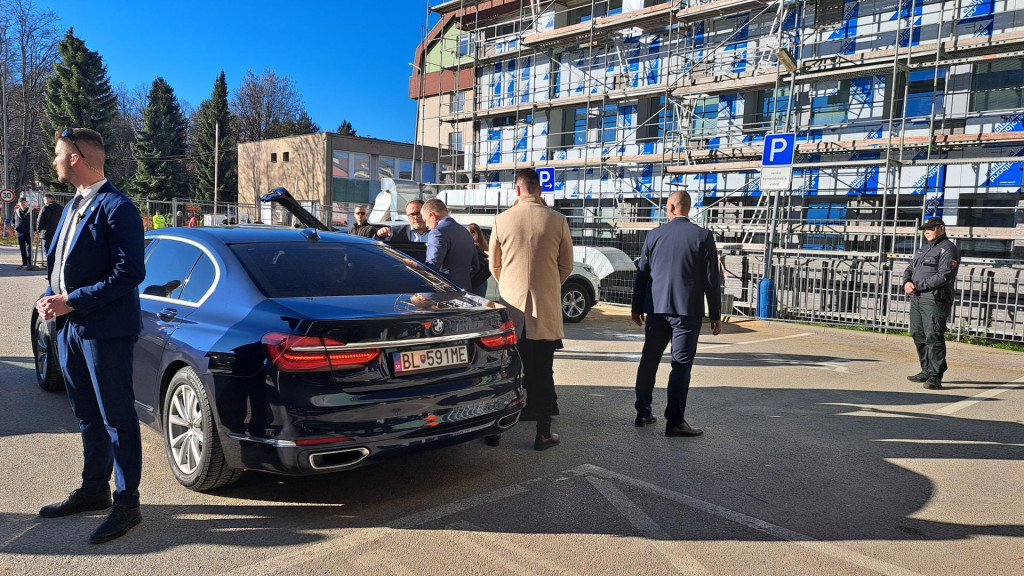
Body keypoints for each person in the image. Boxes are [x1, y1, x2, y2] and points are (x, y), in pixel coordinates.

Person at [35, 127, 146, 544]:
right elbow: (63, 266)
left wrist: (73, 301)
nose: (54, 161)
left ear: (78, 157)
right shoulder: (71, 206)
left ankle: (127, 503)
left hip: (106, 331)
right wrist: (50, 296)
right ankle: (94, 489)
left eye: (59, 154)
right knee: (86, 412)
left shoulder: (118, 208)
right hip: (70, 328)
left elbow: (130, 273)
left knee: (117, 417)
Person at [489, 168, 574, 450]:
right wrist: (548, 287)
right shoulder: (558, 220)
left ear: (517, 190)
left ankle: (497, 431)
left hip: (513, 308)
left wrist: (512, 287)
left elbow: (494, 266)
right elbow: (566, 266)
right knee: (543, 370)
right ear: (540, 189)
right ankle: (543, 432)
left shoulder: (501, 220)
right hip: (545, 309)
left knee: (510, 369)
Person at [631, 190, 722, 438]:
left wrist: (636, 307)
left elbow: (642, 274)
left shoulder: (654, 235)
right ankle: (675, 421)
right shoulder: (703, 236)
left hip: (657, 309)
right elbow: (712, 279)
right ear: (688, 209)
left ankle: (643, 412)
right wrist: (715, 313)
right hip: (686, 311)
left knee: (649, 360)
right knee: (680, 365)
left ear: (670, 208)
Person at [902, 217, 960, 390]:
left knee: (933, 336)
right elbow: (909, 269)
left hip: (934, 300)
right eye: (925, 229)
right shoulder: (924, 249)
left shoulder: (948, 249)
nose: (926, 232)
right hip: (917, 298)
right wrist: (907, 282)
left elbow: (945, 275)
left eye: (930, 228)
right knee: (917, 334)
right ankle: (926, 370)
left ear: (941, 228)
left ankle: (935, 375)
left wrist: (917, 285)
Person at [422, 198, 478, 291]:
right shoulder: (465, 232)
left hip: (445, 292)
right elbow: (475, 266)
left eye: (425, 220)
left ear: (432, 216)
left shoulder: (437, 232)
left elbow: (432, 266)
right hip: (466, 291)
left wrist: (414, 267)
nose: (426, 226)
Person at [466, 223, 491, 297]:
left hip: (476, 281)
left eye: (468, 233)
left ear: (474, 234)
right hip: (483, 281)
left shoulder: (474, 247)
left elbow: (474, 267)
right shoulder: (483, 246)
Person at [14, 197, 33, 268]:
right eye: (21, 202)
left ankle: (30, 262)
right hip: (20, 232)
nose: (23, 203)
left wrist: (34, 229)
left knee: (29, 248)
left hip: (29, 232)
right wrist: (15, 227)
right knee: (22, 248)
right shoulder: (16, 211)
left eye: (24, 202)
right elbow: (13, 220)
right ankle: (24, 263)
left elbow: (35, 220)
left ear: (27, 203)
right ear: (19, 203)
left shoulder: (31, 211)